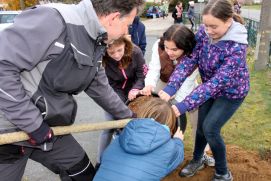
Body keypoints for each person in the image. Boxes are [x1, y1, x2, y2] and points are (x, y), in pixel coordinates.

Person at [0, 0, 144, 180]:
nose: (126, 32)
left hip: (48, 128)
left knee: (83, 174)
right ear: (114, 18)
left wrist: (128, 117)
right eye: (127, 25)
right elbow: (2, 68)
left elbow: (100, 87)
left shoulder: (97, 40)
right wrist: (33, 124)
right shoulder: (52, 20)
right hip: (9, 128)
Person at [158, 0, 249, 180]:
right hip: (209, 89)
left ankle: (223, 173)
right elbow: (191, 60)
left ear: (228, 21)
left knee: (210, 129)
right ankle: (198, 159)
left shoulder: (237, 47)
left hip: (231, 93)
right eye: (206, 25)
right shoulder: (203, 32)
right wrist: (171, 87)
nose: (208, 31)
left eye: (213, 26)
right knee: (201, 127)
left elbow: (217, 82)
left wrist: (185, 105)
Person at [141, 24, 215, 167]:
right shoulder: (158, 45)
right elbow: (154, 69)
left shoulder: (195, 53)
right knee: (158, 116)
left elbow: (187, 82)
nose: (169, 52)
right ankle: (158, 153)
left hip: (186, 87)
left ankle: (200, 154)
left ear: (186, 47)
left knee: (198, 119)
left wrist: (176, 106)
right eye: (167, 47)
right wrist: (149, 85)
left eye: (174, 49)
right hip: (163, 84)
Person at [93, 97, 184, 181]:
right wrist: (178, 141)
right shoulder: (171, 147)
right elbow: (176, 160)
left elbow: (104, 158)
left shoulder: (121, 137)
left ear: (143, 112)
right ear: (170, 122)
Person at [96, 36, 147, 167]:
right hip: (113, 92)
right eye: (112, 53)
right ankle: (100, 161)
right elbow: (108, 85)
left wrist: (136, 88)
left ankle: (133, 158)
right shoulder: (102, 59)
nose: (117, 55)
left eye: (119, 50)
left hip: (135, 90)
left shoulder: (136, 52)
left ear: (125, 45)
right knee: (108, 126)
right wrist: (120, 104)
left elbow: (142, 74)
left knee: (134, 123)